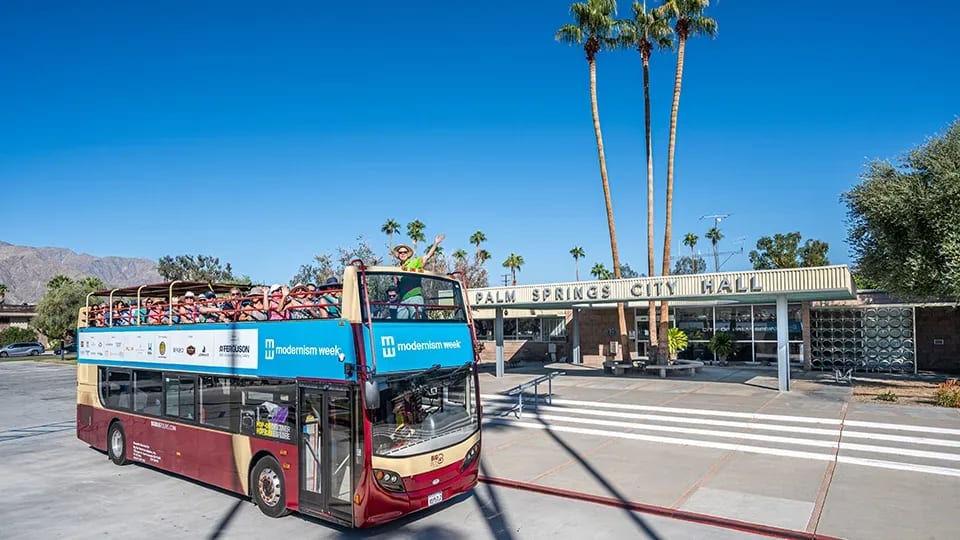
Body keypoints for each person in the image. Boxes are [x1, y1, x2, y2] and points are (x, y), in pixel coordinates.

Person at [393, 234, 444, 319]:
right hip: (403, 300)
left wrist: (436, 243)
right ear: (398, 255)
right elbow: (397, 287)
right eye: (400, 252)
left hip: (415, 297)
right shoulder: (396, 269)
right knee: (400, 321)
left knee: (416, 320)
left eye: (405, 252)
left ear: (408, 254)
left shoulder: (414, 263)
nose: (403, 254)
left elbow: (427, 257)